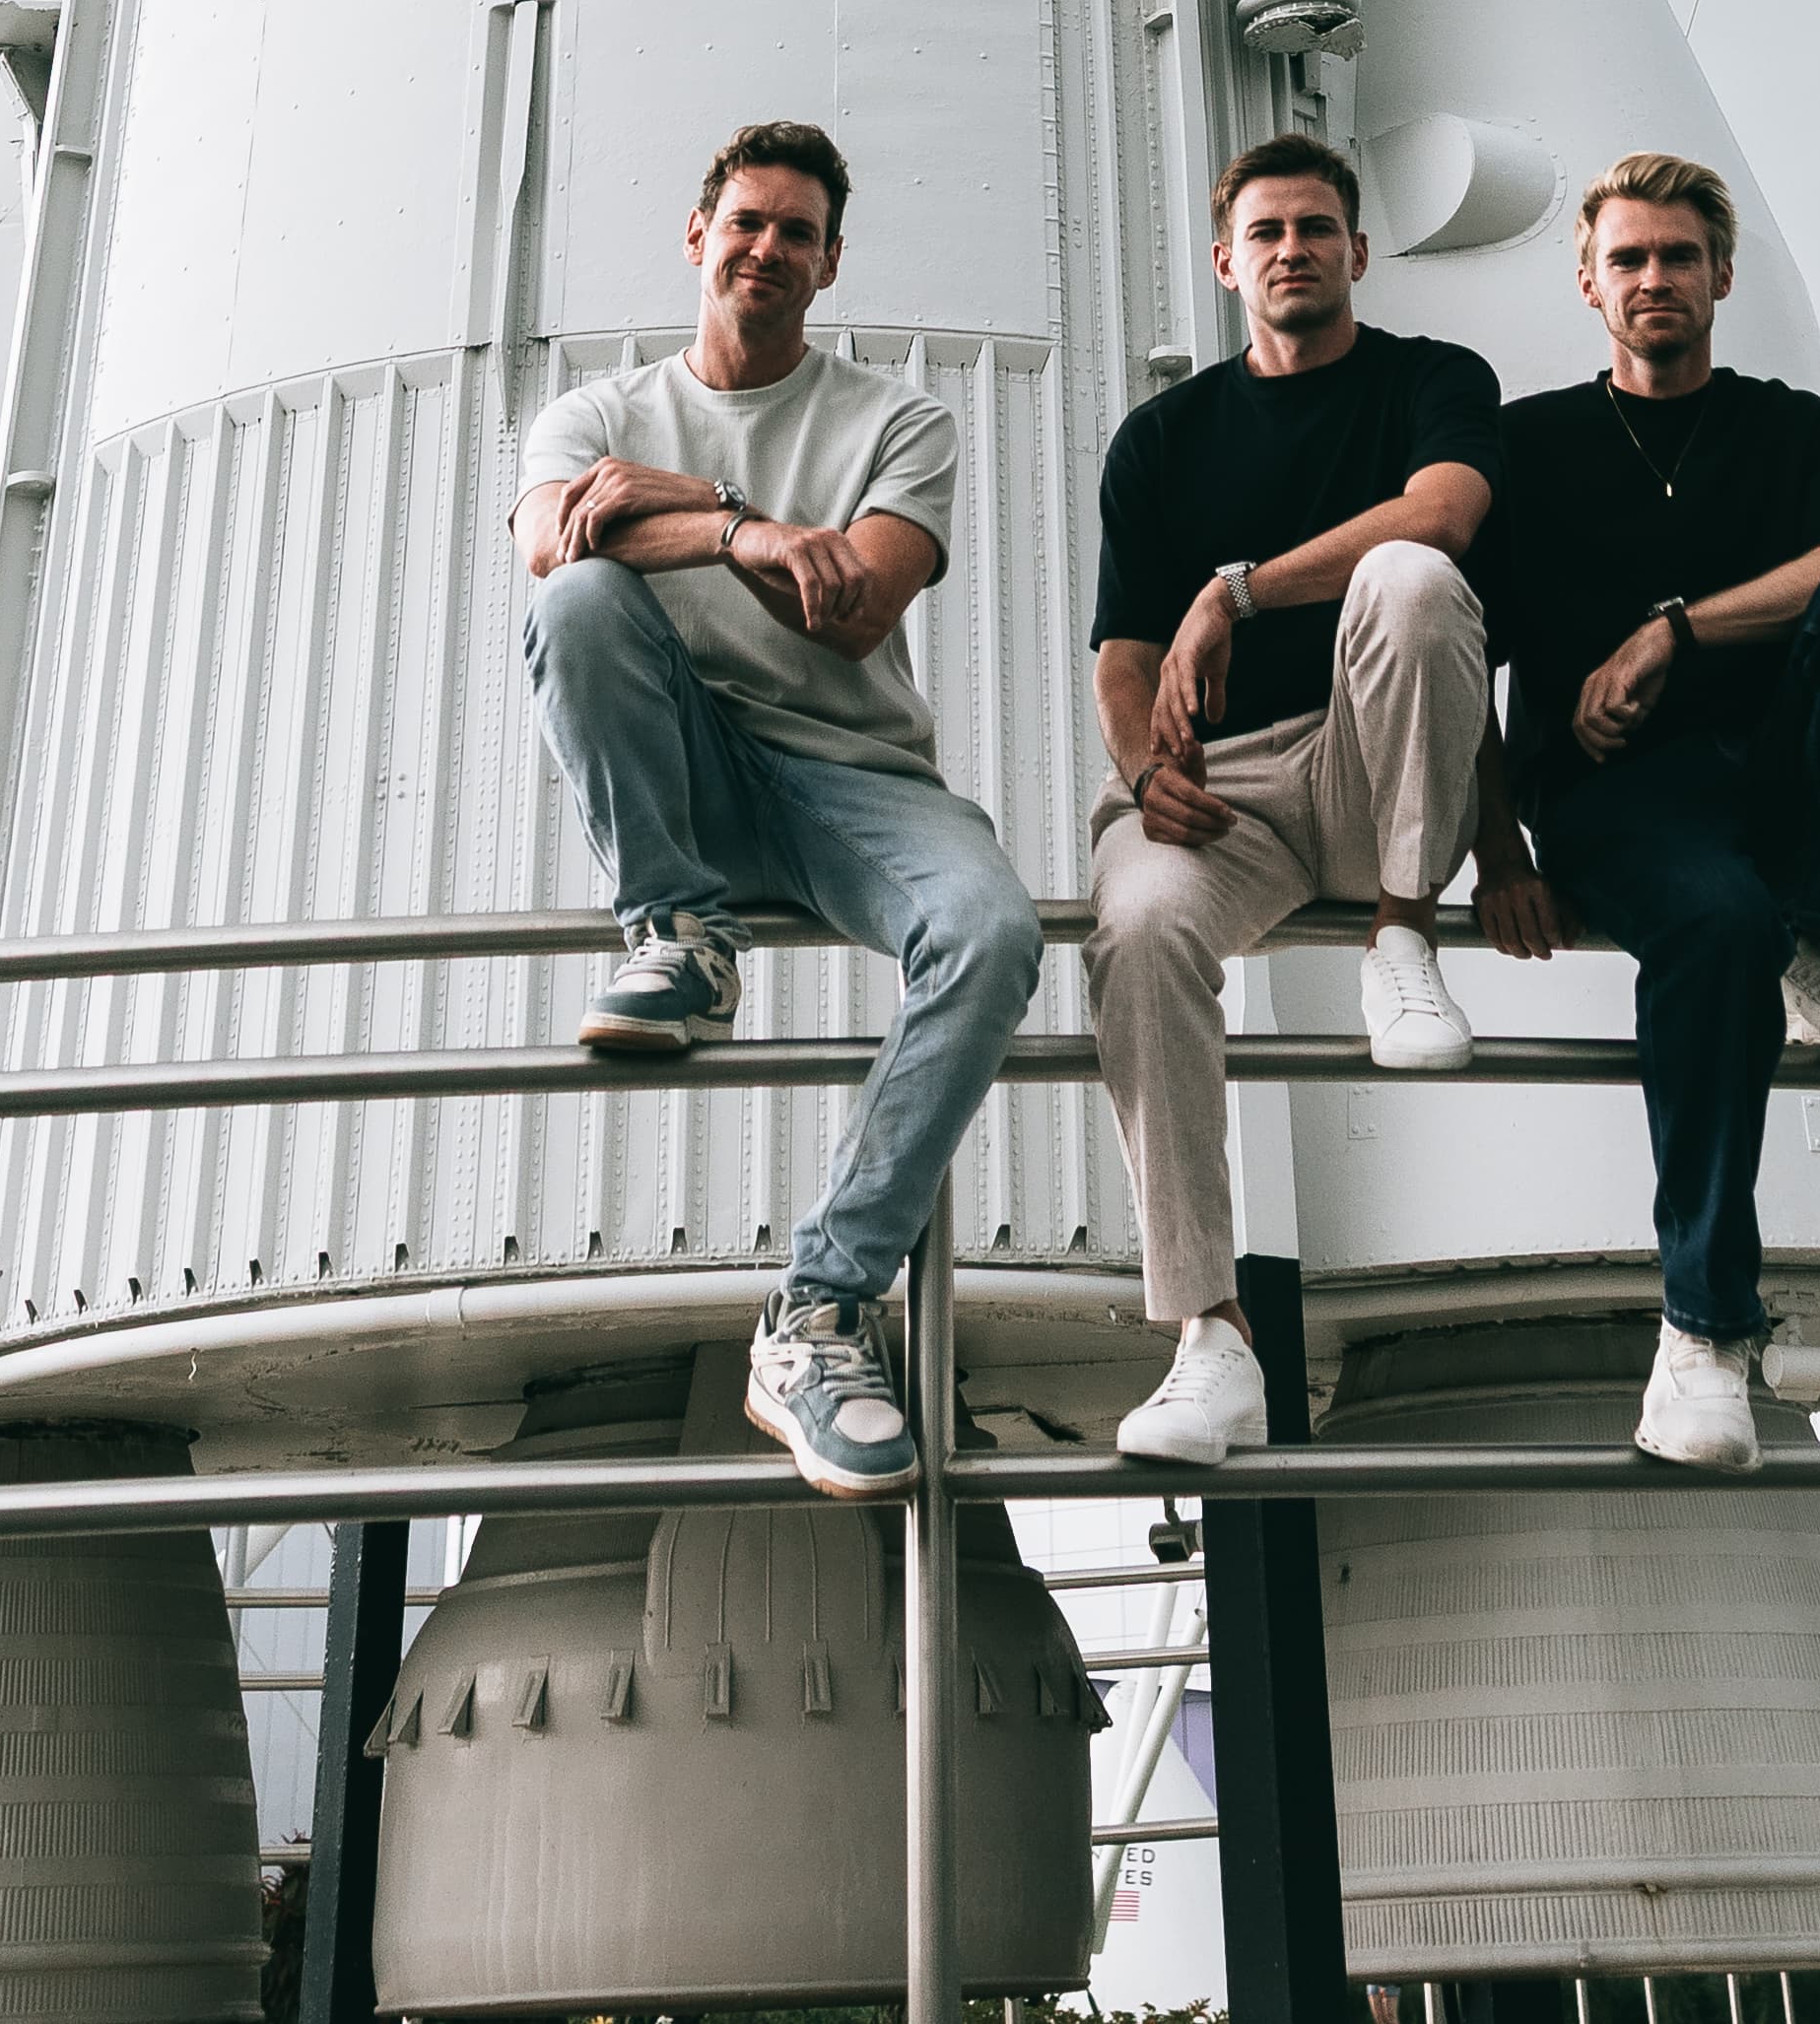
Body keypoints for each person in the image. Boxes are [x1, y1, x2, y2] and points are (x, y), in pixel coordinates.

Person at [513, 122, 1042, 1499]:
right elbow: (551, 545)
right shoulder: (594, 415)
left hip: (852, 782)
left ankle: (817, 1312)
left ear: (828, 262)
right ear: (698, 237)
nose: (766, 249)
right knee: (576, 599)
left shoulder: (896, 422)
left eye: (795, 233)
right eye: (744, 222)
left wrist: (683, 509)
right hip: (684, 773)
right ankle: (675, 925)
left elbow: (858, 606)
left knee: (988, 934)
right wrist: (746, 527)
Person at [1471, 146, 1820, 1471]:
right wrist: (1493, 847)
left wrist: (1670, 633)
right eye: (1626, 258)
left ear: (1719, 275)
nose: (1653, 279)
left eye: (1677, 256)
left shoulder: (1785, 427)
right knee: (1715, 931)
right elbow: (1462, 654)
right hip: (1621, 804)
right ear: (1587, 282)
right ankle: (1701, 1328)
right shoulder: (1530, 446)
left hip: (1779, 781)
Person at [1085, 134, 1501, 1469]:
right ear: (1226, 263)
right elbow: (1124, 656)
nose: (1291, 250)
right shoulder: (1161, 440)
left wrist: (1240, 588)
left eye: (1316, 228)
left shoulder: (1433, 380)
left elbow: (1438, 515)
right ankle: (1208, 1339)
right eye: (1265, 233)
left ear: (1357, 253)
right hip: (1232, 792)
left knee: (1410, 582)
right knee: (1138, 929)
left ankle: (1399, 934)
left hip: (1370, 758)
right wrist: (1143, 773)